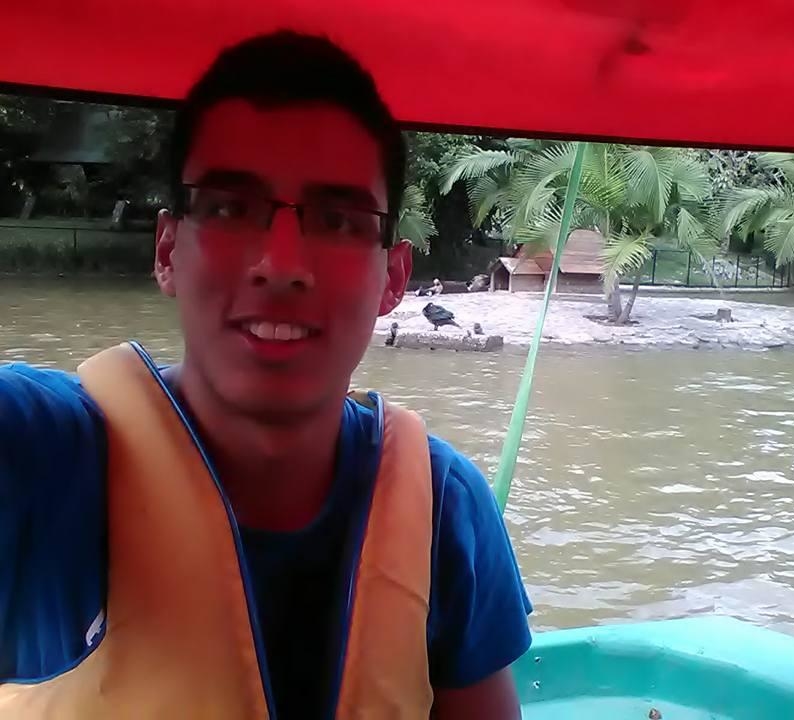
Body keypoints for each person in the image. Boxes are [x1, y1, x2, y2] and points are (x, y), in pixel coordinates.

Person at [0, 31, 532, 719]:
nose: (280, 266)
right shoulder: (40, 458)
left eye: (337, 220)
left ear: (394, 277)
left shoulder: (445, 510)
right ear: (167, 250)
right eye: (229, 208)